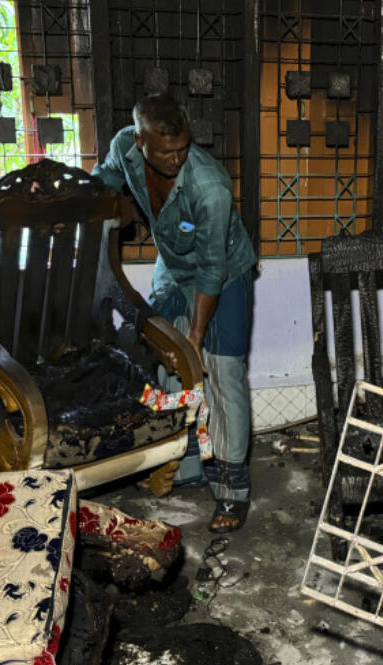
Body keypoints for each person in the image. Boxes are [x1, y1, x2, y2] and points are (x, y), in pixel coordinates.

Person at [93, 94, 256, 532]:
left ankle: (231, 492)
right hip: (173, 268)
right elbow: (102, 182)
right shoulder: (124, 147)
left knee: (220, 376)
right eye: (166, 151)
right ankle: (182, 466)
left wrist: (196, 339)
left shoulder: (209, 185)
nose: (176, 159)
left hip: (223, 274)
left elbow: (211, 267)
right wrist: (95, 207)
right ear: (140, 139)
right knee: (169, 368)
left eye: (183, 148)